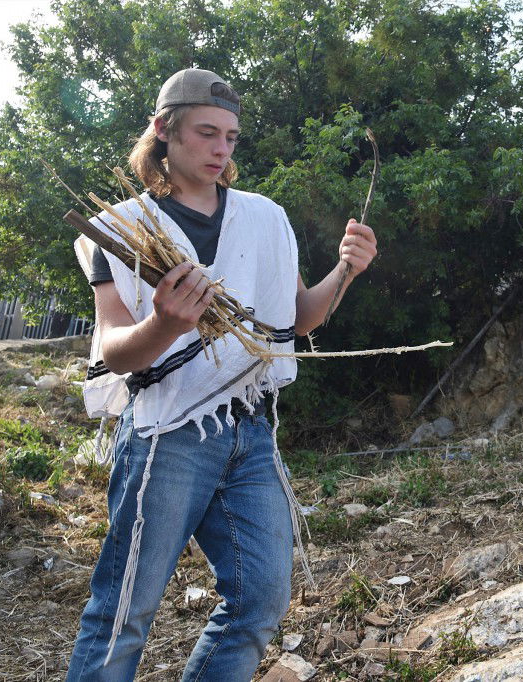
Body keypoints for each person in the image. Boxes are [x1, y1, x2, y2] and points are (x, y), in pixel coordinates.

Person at [65, 69, 377, 681]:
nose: (221, 150)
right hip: (168, 434)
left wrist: (345, 272)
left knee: (260, 601)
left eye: (231, 137)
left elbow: (299, 321)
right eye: (207, 133)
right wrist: (165, 324)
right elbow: (113, 350)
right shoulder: (123, 227)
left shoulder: (264, 218)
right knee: (124, 612)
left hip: (250, 433)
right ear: (164, 130)